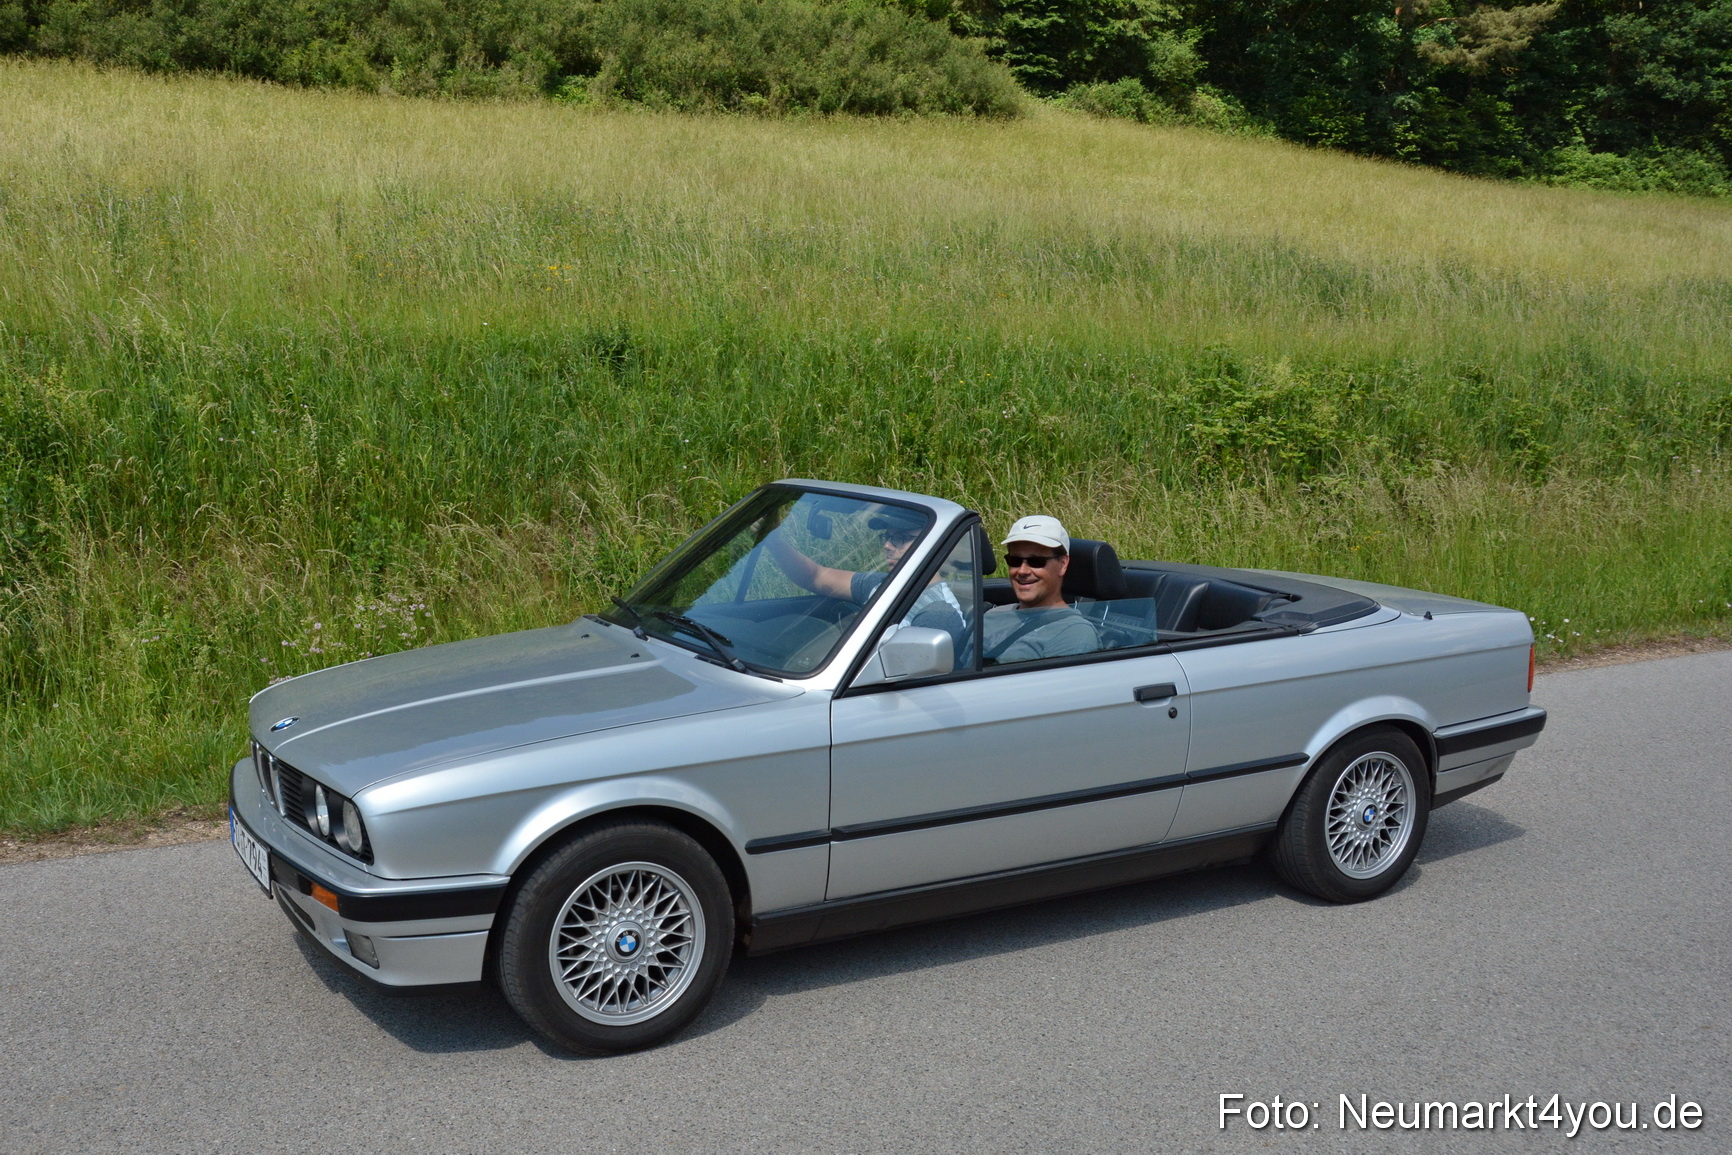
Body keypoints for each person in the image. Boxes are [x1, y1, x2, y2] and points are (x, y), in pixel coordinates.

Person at [765, 505, 966, 635]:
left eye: (900, 538)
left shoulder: (939, 615)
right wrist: (773, 541)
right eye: (887, 537)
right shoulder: (881, 585)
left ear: (932, 545)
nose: (887, 546)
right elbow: (815, 576)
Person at [981, 515, 1097, 664]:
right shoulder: (992, 614)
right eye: (1015, 561)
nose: (1022, 571)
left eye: (1036, 561)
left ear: (1062, 564)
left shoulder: (1074, 634)